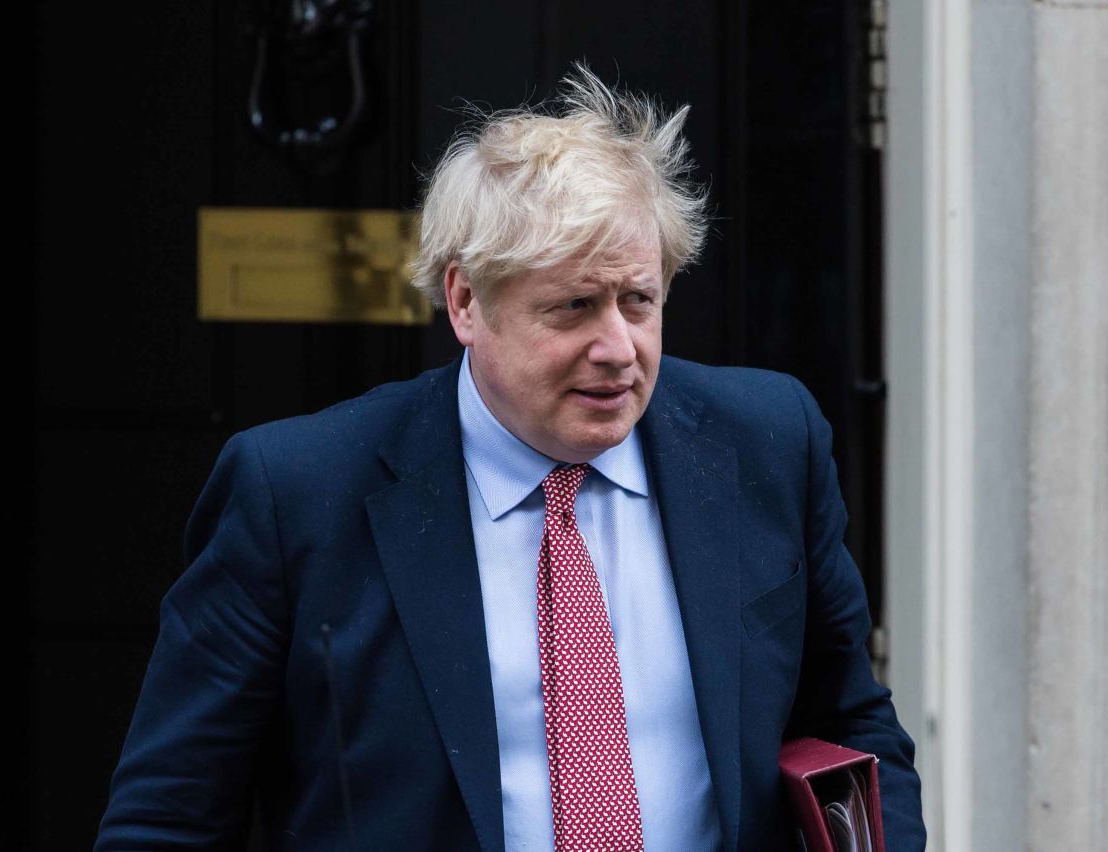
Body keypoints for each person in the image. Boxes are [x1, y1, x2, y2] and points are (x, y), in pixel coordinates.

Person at [96, 64, 925, 851]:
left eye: (639, 301)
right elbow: (170, 813)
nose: (618, 348)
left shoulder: (768, 442)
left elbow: (853, 725)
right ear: (465, 300)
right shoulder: (298, 492)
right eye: (572, 307)